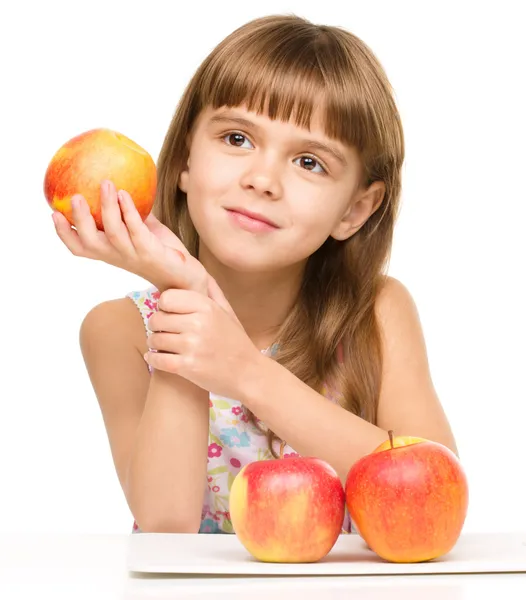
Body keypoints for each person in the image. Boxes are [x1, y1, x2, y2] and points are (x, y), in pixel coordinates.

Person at [52, 14, 458, 535]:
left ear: (354, 210)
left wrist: (245, 370)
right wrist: (186, 294)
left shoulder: (376, 313)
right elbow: (165, 523)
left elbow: (431, 495)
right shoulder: (120, 329)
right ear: (184, 161)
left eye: (310, 162)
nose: (263, 179)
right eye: (238, 138)